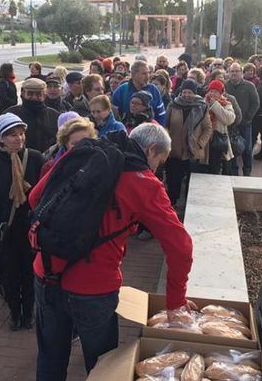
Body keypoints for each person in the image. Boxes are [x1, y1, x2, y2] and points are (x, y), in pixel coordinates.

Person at [30, 123, 194, 379]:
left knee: (50, 356)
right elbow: (180, 247)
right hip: (94, 288)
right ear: (151, 150)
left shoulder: (83, 153)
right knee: (102, 366)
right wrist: (175, 303)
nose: (157, 169)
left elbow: (35, 199)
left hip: (46, 274)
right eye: (159, 162)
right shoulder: (144, 182)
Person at [0, 114, 45, 330]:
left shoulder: (35, 158)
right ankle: (15, 312)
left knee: (30, 273)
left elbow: (45, 192)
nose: (19, 139)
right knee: (9, 275)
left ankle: (29, 313)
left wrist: (37, 218)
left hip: (30, 230)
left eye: (21, 134)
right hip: (5, 232)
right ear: (1, 138)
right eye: (12, 135)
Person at [165, 80, 212, 207]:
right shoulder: (173, 105)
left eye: (189, 92)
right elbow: (166, 125)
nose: (186, 95)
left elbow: (208, 128)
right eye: (184, 92)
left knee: (191, 182)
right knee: (174, 180)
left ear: (194, 93)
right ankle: (172, 205)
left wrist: (199, 144)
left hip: (192, 151)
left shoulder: (201, 107)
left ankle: (190, 205)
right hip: (174, 150)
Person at [6, 78, 59, 153]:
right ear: (23, 93)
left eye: (38, 94)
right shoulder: (11, 115)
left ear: (44, 95)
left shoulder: (54, 116)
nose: (34, 97)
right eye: (30, 94)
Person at [225, 63, 260, 176]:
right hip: (230, 123)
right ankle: (234, 170)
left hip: (245, 123)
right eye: (232, 71)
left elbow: (256, 103)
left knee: (247, 148)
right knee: (232, 148)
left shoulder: (249, 86)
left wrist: (248, 117)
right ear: (229, 73)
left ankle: (247, 169)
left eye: (236, 71)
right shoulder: (225, 86)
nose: (234, 73)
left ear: (241, 72)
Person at [112, 60, 166, 126]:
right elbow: (114, 117)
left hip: (150, 132)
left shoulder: (154, 90)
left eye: (148, 73)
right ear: (133, 74)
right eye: (144, 74)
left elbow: (161, 115)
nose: (147, 76)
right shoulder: (121, 91)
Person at [203, 80, 235, 174]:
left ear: (221, 93)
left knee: (216, 168)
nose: (213, 93)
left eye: (216, 92)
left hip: (218, 142)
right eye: (211, 91)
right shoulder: (202, 103)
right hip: (205, 142)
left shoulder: (226, 104)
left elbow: (229, 119)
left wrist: (215, 105)